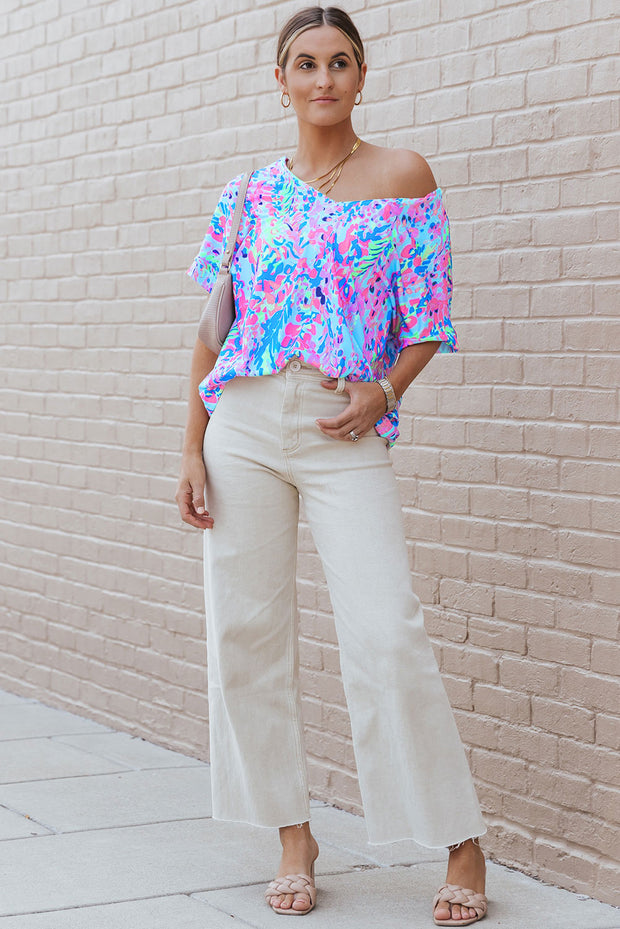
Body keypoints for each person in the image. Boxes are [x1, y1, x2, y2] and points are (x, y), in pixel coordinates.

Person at [176, 5, 488, 925]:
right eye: (304, 63)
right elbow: (209, 329)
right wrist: (189, 444)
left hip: (341, 422)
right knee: (245, 633)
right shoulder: (246, 196)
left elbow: (428, 322)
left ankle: (461, 841)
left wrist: (383, 393)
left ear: (361, 75)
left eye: (339, 62)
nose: (322, 79)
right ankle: (292, 835)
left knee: (387, 629)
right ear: (279, 80)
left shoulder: (403, 177)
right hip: (241, 421)